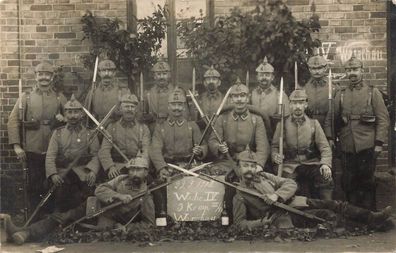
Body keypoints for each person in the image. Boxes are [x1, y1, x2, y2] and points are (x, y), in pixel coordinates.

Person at [2, 157, 155, 245]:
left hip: (107, 223)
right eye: (132, 169)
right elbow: (100, 190)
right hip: (93, 208)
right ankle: (24, 232)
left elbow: (148, 224)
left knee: (66, 226)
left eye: (138, 170)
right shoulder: (120, 179)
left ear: (146, 172)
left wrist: (126, 228)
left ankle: (23, 233)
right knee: (62, 217)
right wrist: (118, 196)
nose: (134, 173)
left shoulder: (146, 195)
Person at [232, 150, 392, 231]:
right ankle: (375, 224)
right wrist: (262, 223)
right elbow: (240, 224)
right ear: (238, 168)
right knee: (329, 216)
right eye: (246, 165)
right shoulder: (240, 195)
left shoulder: (264, 175)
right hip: (286, 216)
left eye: (253, 166)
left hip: (297, 201)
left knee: (336, 204)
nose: (250, 170)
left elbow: (290, 183)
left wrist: (277, 195)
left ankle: (372, 217)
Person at [325, 56, 389, 210]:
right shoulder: (340, 94)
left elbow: (383, 119)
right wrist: (331, 138)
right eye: (348, 70)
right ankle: (353, 215)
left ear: (362, 71)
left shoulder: (372, 93)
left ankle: (370, 214)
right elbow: (330, 118)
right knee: (348, 181)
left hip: (367, 144)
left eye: (355, 70)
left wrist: (379, 143)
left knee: (367, 180)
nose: (352, 73)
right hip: (347, 144)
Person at [7, 61, 67, 215]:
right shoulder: (26, 97)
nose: (44, 77)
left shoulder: (59, 98)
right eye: (41, 74)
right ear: (36, 76)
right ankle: (35, 220)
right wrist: (17, 146)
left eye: (47, 74)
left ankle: (51, 219)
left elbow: (74, 116)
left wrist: (64, 118)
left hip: (54, 149)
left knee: (53, 183)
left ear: (52, 77)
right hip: (32, 148)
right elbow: (13, 121)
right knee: (33, 184)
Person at [208, 78, 270, 222]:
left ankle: (252, 217)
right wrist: (219, 147)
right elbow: (212, 140)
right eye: (236, 96)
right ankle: (224, 219)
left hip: (249, 161)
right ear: (231, 99)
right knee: (222, 183)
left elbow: (262, 147)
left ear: (248, 97)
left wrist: (259, 165)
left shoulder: (256, 120)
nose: (239, 99)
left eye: (242, 96)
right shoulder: (222, 119)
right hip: (227, 161)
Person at [149, 87, 207, 214]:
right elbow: (155, 150)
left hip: (189, 165)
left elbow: (203, 145)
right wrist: (161, 168)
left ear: (184, 107)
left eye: (179, 105)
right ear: (168, 107)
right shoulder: (160, 127)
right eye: (173, 104)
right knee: (160, 188)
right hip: (168, 166)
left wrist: (200, 150)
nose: (176, 108)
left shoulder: (192, 126)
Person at [272, 89, 333, 200]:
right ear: (290, 105)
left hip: (310, 163)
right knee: (290, 186)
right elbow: (275, 146)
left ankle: (327, 208)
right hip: (290, 166)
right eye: (294, 103)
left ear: (306, 104)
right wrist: (275, 156)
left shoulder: (314, 124)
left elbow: (324, 147)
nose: (298, 106)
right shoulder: (282, 124)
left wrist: (325, 164)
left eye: (301, 102)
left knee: (325, 178)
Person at [46, 95, 100, 212]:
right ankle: (58, 218)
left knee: (86, 195)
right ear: (65, 114)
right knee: (60, 193)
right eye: (69, 112)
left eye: (76, 112)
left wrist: (93, 171)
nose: (73, 116)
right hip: (63, 171)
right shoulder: (58, 133)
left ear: (81, 114)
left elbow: (96, 154)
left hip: (82, 171)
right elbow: (50, 156)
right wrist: (53, 174)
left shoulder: (90, 133)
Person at [98, 93, 151, 179]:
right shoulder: (112, 127)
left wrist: (140, 167)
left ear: (136, 110)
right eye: (126, 106)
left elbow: (146, 151)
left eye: (132, 107)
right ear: (120, 109)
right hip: (117, 167)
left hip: (137, 167)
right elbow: (104, 150)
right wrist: (110, 166)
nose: (129, 109)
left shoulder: (143, 128)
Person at [251, 57, 290, 138]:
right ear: (257, 77)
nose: (264, 77)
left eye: (267, 75)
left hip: (274, 133)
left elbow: (287, 119)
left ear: (272, 77)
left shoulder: (280, 95)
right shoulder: (252, 94)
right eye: (261, 75)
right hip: (255, 133)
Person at [303, 53, 337, 129]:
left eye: (319, 68)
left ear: (325, 68)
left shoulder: (333, 87)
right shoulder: (305, 88)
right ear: (309, 69)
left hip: (327, 123)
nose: (317, 71)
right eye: (314, 69)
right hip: (309, 123)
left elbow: (335, 111)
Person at [142, 59, 175, 131]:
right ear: (154, 76)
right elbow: (143, 113)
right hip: (154, 128)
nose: (161, 77)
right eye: (159, 74)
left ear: (169, 75)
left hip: (172, 128)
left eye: (164, 74)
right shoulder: (148, 93)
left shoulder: (176, 92)